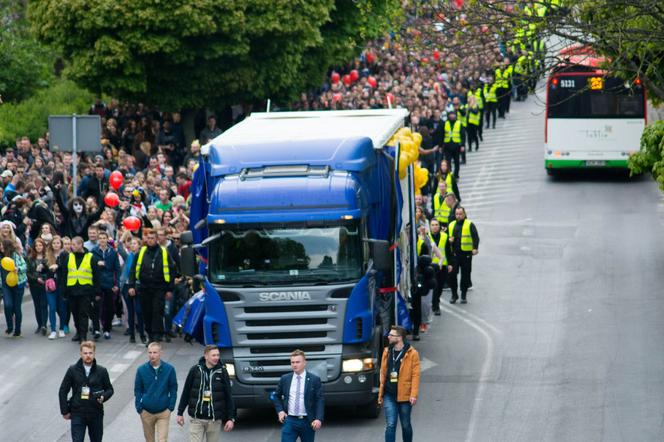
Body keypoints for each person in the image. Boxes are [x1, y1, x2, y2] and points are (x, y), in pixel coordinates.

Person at [176, 345, 236, 440]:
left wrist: (231, 418)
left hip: (214, 420)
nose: (216, 357)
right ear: (206, 356)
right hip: (197, 419)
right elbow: (186, 392)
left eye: (218, 355)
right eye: (213, 355)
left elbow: (228, 396)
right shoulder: (195, 370)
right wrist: (180, 413)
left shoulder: (222, 372)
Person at [58, 341, 114, 442]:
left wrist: (103, 397)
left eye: (90, 353)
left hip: (95, 413)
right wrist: (65, 411)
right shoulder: (72, 370)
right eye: (85, 353)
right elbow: (63, 391)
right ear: (81, 354)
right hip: (78, 413)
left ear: (94, 353)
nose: (88, 356)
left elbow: (110, 389)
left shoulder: (101, 371)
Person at [128, 229, 176, 343]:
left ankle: (155, 336)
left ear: (157, 239)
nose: (150, 240)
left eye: (152, 238)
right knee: (146, 312)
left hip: (159, 288)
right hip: (144, 288)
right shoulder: (141, 252)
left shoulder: (164, 252)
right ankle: (150, 333)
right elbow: (133, 270)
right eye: (148, 238)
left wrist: (170, 289)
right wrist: (131, 285)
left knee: (157, 311)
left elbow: (172, 270)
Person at [378, 325, 420, 442]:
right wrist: (381, 393)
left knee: (405, 424)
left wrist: (413, 394)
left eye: (391, 335)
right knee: (390, 424)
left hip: (405, 396)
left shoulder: (412, 354)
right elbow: (383, 372)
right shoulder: (387, 352)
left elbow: (415, 375)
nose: (388, 336)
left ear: (400, 338)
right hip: (389, 394)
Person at [272, 349, 324, 442]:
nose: (295, 365)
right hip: (290, 421)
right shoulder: (285, 379)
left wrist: (318, 419)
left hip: (308, 421)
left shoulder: (314, 379)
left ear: (304, 363)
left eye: (298, 362)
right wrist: (280, 411)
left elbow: (319, 399)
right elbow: (276, 396)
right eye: (292, 362)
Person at [134, 342, 178, 442]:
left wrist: (171, 406)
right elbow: (138, 390)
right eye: (150, 352)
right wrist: (139, 407)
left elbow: (173, 388)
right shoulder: (141, 370)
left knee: (162, 440)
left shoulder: (169, 369)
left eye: (155, 352)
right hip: (146, 412)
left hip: (163, 412)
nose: (152, 355)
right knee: (149, 440)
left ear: (160, 353)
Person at [62, 236, 100, 342]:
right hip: (72, 290)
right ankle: (78, 332)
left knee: (83, 313)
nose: (72, 247)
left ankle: (83, 335)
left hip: (86, 290)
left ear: (81, 245)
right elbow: (64, 275)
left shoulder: (91, 257)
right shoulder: (68, 257)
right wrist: (64, 291)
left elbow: (96, 276)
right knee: (75, 313)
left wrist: (97, 292)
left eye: (74, 245)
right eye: (71, 245)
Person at [92, 230, 120, 339]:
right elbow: (89, 266)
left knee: (109, 308)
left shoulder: (112, 252)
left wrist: (116, 284)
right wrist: (96, 263)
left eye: (104, 238)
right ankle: (96, 329)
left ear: (107, 239)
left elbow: (117, 269)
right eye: (101, 238)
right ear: (98, 240)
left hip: (109, 283)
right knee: (96, 307)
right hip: (97, 283)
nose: (102, 240)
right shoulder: (93, 252)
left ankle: (107, 329)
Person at [448, 207, 480, 304]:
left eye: (460, 214)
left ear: (464, 214)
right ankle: (454, 294)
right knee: (452, 275)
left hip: (466, 254)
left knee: (465, 275)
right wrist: (450, 241)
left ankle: (463, 295)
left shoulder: (469, 224)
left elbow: (475, 237)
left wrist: (475, 248)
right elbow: (447, 238)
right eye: (457, 214)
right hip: (454, 255)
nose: (458, 216)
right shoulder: (451, 225)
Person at [119, 235, 146, 344]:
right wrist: (125, 233)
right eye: (131, 243)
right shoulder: (128, 255)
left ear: (139, 245)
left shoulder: (142, 256)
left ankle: (142, 334)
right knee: (130, 311)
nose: (132, 245)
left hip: (138, 285)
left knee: (139, 311)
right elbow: (119, 247)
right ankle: (132, 335)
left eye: (135, 243)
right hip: (127, 285)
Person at [1, 238, 28, 337]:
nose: (0, 247)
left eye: (2, 245)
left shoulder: (16, 255)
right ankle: (10, 326)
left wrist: (18, 268)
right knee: (8, 305)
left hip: (18, 284)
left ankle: (18, 329)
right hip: (5, 285)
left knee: (17, 308)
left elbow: (25, 266)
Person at [428, 219, 455, 316]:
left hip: (442, 265)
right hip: (431, 266)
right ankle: (436, 306)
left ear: (439, 226)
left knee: (440, 286)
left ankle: (436, 300)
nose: (435, 226)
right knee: (435, 286)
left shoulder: (444, 236)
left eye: (436, 225)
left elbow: (448, 252)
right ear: (430, 226)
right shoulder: (427, 237)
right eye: (432, 225)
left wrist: (450, 264)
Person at [26, 237, 49, 336]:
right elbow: (28, 273)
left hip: (44, 284)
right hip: (34, 284)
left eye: (40, 245)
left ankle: (44, 325)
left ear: (43, 246)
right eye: (36, 245)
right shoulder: (30, 258)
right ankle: (39, 324)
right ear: (34, 247)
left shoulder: (47, 258)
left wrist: (44, 278)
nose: (38, 247)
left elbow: (49, 271)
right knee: (37, 305)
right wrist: (36, 279)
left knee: (44, 304)